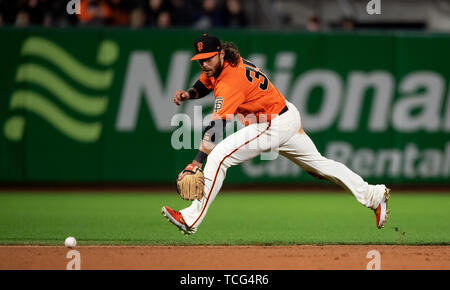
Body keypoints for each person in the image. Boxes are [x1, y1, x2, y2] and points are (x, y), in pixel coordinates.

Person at [162, 34, 390, 235]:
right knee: (320, 167)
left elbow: (216, 127)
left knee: (219, 156)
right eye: (200, 60)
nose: (204, 64)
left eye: (209, 58)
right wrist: (189, 94)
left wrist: (195, 162)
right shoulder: (227, 61)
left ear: (220, 54)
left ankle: (191, 218)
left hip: (271, 124)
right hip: (285, 115)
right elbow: (205, 83)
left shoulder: (231, 81)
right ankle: (373, 195)